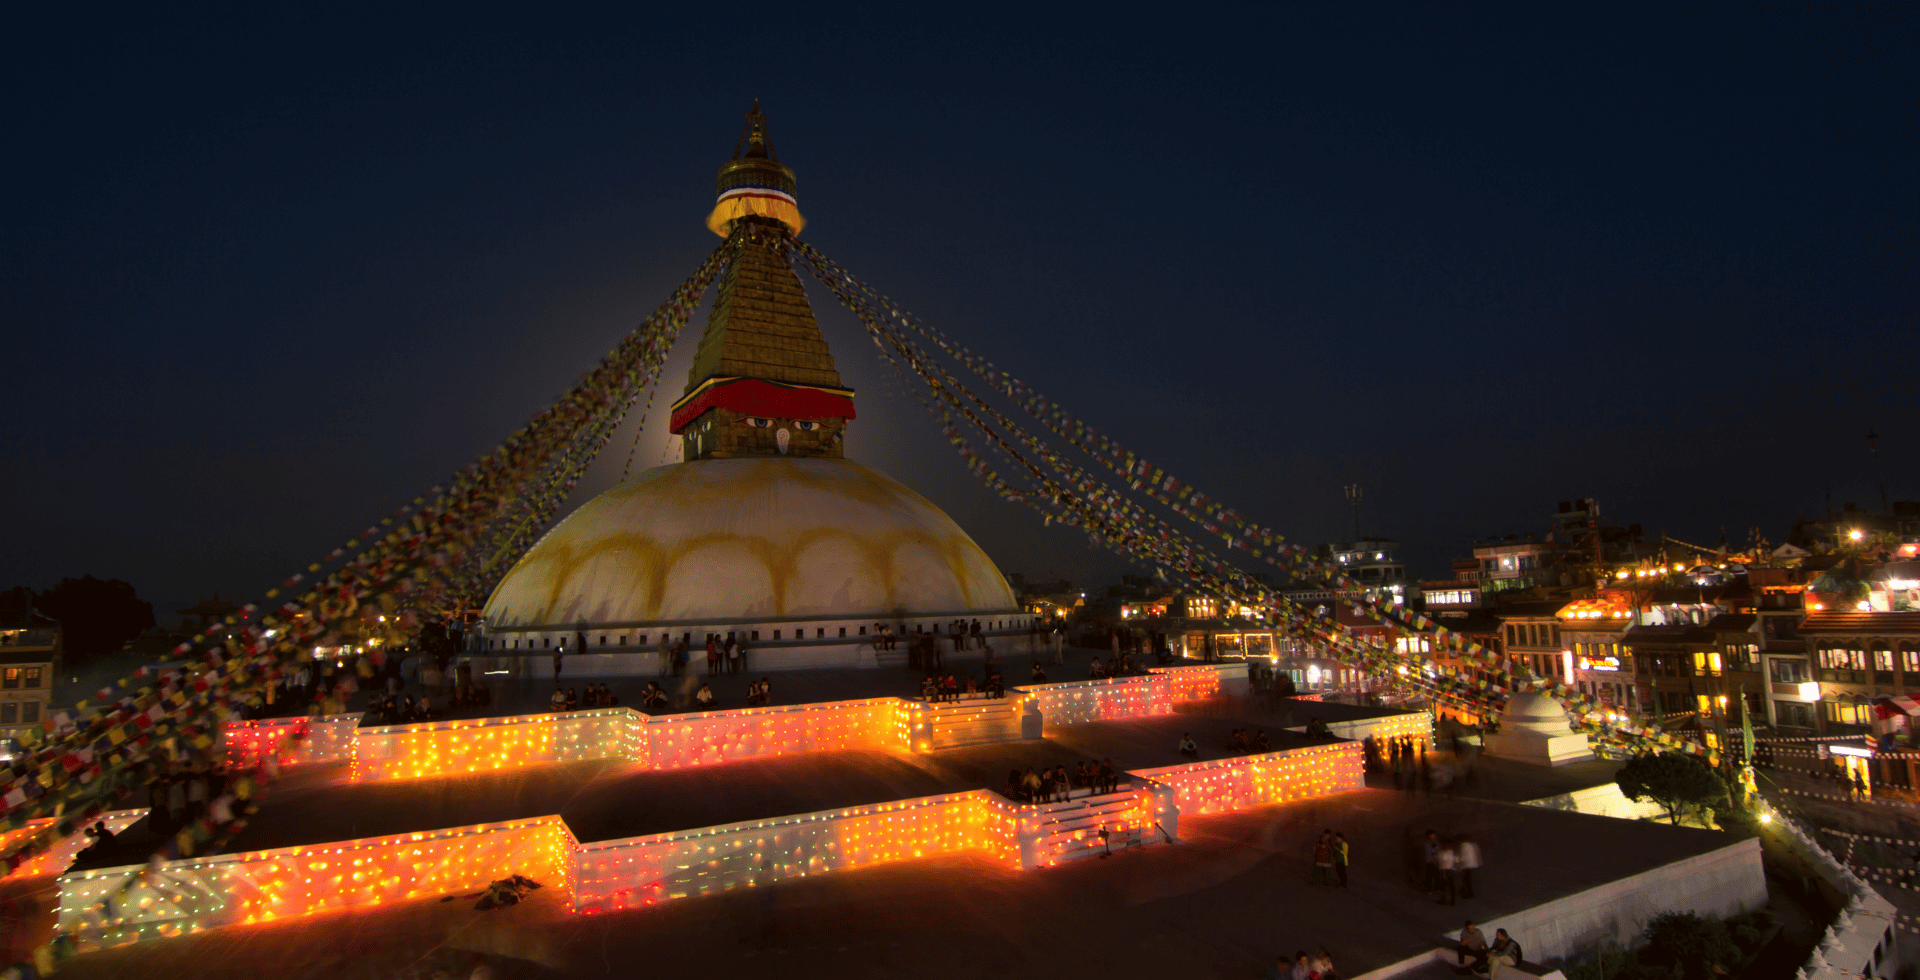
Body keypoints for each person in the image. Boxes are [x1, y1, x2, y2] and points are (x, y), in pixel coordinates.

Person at [1457, 833, 1481, 899]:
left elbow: (1462, 857)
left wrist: (1457, 862)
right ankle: (1469, 892)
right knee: (1469, 879)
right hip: (1473, 864)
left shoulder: (1463, 846)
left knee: (1466, 879)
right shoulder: (1473, 845)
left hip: (1466, 865)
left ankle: (1467, 893)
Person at [1436, 840, 1459, 905]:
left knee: (1444, 885)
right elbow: (1457, 860)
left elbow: (1439, 860)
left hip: (1445, 870)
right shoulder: (1452, 852)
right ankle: (1452, 900)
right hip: (1450, 870)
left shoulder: (1442, 853)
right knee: (1451, 885)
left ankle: (1444, 899)